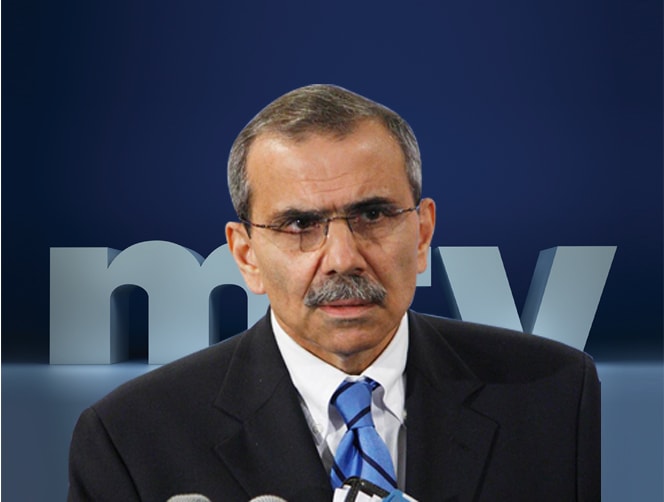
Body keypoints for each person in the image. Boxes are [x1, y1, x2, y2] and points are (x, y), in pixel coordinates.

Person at [67, 84, 600, 501]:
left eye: (373, 214)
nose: (343, 257)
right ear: (246, 255)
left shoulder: (553, 395)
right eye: (300, 224)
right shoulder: (131, 437)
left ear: (422, 234)